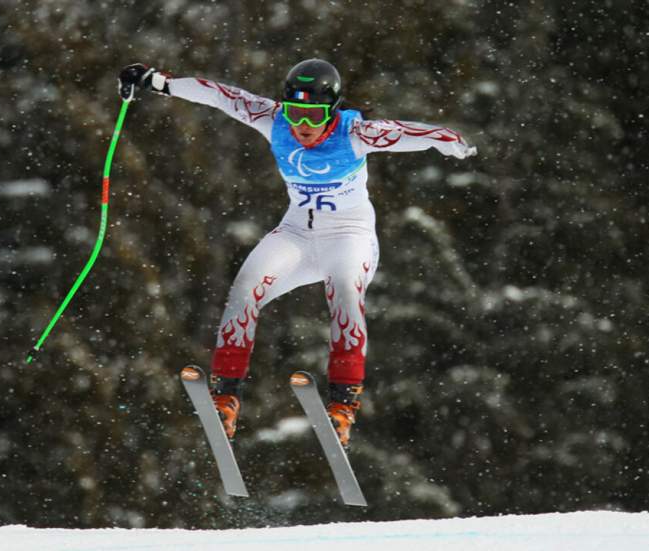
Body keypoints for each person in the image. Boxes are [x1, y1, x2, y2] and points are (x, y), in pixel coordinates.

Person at [118, 59, 477, 447]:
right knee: (245, 289)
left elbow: (412, 132)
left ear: (333, 111)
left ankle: (343, 406)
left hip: (348, 238)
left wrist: (453, 143)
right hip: (296, 235)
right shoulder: (272, 120)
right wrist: (157, 82)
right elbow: (220, 96)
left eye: (314, 114)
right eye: (295, 112)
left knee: (344, 291)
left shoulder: (357, 133)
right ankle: (226, 399)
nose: (302, 125)